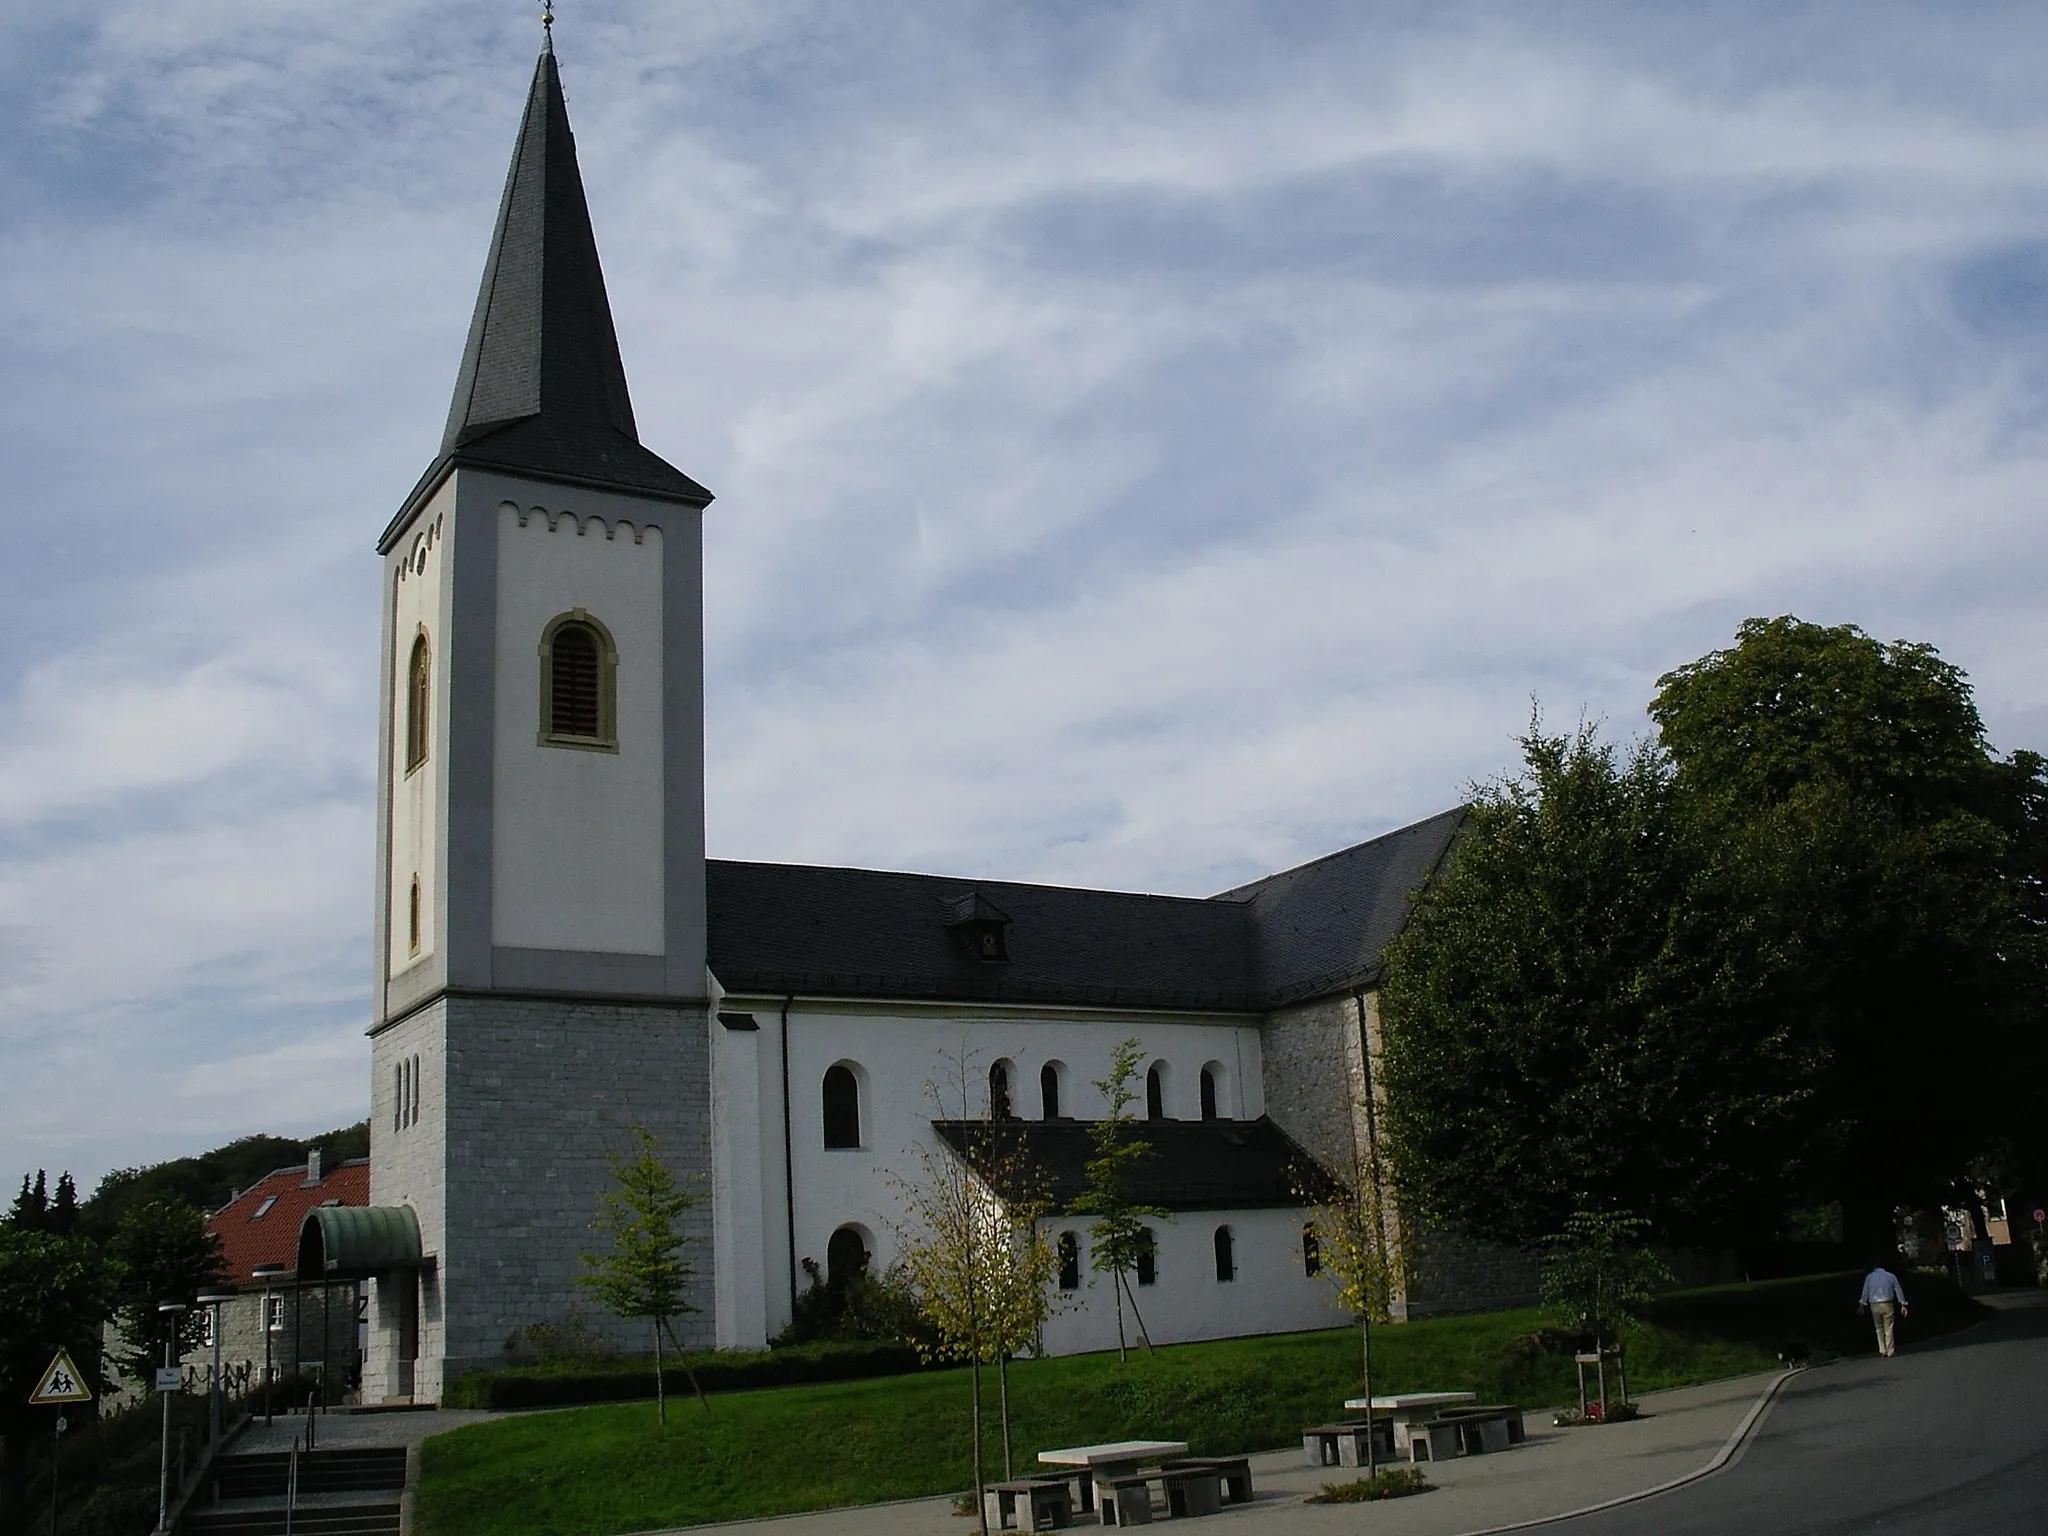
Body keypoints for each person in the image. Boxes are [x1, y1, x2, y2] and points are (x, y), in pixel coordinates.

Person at [1859, 1263, 1909, 1357]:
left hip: (1874, 1304)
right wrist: (1903, 1304)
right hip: (1887, 1303)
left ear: (1874, 1267)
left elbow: (1865, 1291)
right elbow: (1898, 1289)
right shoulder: (1890, 1276)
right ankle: (1890, 1350)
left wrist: (1862, 1305)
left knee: (1878, 1328)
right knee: (1889, 1327)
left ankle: (1882, 1349)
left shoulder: (1869, 1277)